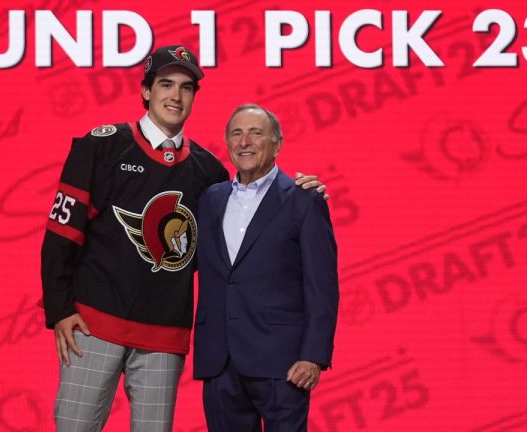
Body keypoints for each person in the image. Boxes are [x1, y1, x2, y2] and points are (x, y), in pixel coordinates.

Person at [40, 47, 325, 431]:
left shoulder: (209, 172)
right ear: (145, 91)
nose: (175, 96)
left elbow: (244, 229)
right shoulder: (101, 146)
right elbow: (60, 233)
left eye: (186, 88)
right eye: (165, 84)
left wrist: (299, 188)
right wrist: (59, 309)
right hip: (92, 328)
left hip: (164, 337)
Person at [193, 104, 339, 431]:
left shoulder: (304, 199)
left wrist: (313, 356)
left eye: (256, 133)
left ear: (277, 144)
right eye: (236, 133)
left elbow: (322, 287)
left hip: (283, 363)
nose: (245, 141)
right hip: (220, 361)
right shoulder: (209, 200)